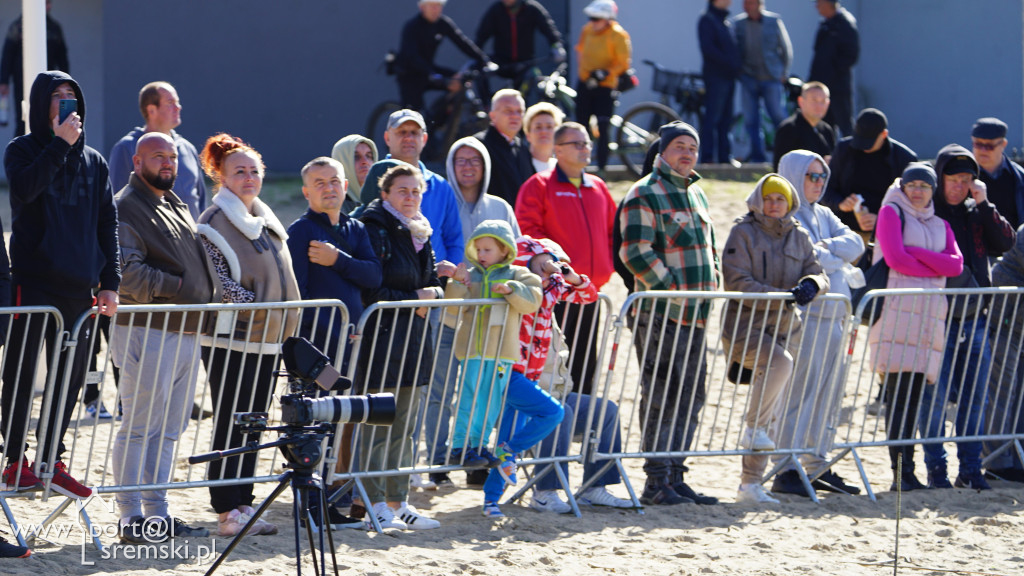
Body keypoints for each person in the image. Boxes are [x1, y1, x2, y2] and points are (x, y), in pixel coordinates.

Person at [1, 71, 118, 500]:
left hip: (80, 288)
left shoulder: (95, 161)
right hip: (33, 282)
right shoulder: (22, 149)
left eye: (72, 96)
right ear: (40, 105)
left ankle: (51, 458)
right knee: (20, 373)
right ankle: (15, 460)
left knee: (68, 379)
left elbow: (109, 223)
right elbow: (25, 190)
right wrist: (59, 145)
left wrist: (111, 282)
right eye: (57, 96)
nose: (67, 103)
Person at [110, 132, 219, 543]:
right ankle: (129, 516)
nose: (168, 163)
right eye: (159, 156)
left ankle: (156, 511)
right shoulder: (125, 206)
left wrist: (203, 294)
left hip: (187, 329)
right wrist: (178, 287)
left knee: (169, 429)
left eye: (172, 156)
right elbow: (128, 275)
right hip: (148, 329)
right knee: (139, 427)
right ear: (137, 162)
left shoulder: (174, 202)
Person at [196, 133, 300, 536]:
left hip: (268, 336)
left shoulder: (264, 218)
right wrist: (257, 304)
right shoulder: (213, 222)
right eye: (239, 171)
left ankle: (244, 502)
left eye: (254, 170)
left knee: (255, 419)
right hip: (232, 337)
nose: (248, 177)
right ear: (219, 176)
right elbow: (217, 281)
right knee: (232, 417)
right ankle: (225, 507)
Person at [618, 121, 720, 506]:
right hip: (660, 313)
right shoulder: (645, 192)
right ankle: (656, 479)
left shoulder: (698, 195)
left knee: (691, 396)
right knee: (661, 394)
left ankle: (676, 475)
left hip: (696, 315)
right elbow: (635, 252)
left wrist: (713, 284)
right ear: (662, 151)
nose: (687, 154)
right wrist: (673, 288)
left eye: (692, 147)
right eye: (679, 146)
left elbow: (709, 251)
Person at [286, 156, 382, 530]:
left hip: (350, 344)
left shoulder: (356, 229)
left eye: (334, 181)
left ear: (345, 186)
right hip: (316, 351)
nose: (329, 188)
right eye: (319, 182)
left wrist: (337, 259)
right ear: (307, 191)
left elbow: (372, 275)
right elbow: (301, 294)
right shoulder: (300, 231)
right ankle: (308, 504)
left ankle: (329, 500)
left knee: (337, 424)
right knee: (311, 425)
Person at [721, 174, 829, 504]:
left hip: (785, 330)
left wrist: (812, 284)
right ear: (758, 200)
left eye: (780, 199)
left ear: (790, 203)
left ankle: (750, 484)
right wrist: (780, 296)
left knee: (771, 409)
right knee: (777, 371)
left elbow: (817, 271)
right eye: (768, 198)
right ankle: (752, 429)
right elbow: (736, 279)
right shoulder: (743, 231)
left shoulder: (799, 236)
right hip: (746, 328)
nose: (773, 204)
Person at [508, 236, 631, 514]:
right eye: (545, 265)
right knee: (560, 412)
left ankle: (595, 487)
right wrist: (533, 270)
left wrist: (570, 275)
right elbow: (517, 271)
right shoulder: (515, 299)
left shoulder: (551, 295)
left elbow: (589, 295)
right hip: (523, 399)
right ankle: (545, 491)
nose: (551, 271)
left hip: (555, 390)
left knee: (606, 411)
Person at [917, 145, 1014, 490]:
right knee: (935, 400)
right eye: (954, 180)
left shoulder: (977, 211)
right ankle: (937, 471)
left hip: (974, 316)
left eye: (967, 180)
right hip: (937, 318)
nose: (960, 187)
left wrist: (985, 204)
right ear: (939, 178)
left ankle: (971, 470)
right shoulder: (927, 213)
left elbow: (1006, 242)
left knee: (975, 399)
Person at [770, 150, 863, 497]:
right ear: (794, 175)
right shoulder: (785, 212)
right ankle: (786, 465)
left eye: (823, 176)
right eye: (811, 176)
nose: (819, 183)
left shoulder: (825, 213)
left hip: (836, 316)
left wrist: (831, 253)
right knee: (798, 392)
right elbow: (809, 255)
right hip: (805, 318)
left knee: (828, 391)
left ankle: (817, 461)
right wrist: (832, 255)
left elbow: (855, 244)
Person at [357, 164, 444, 530]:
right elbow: (373, 288)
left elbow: (431, 280)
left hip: (413, 340)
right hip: (383, 339)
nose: (411, 197)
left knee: (405, 427)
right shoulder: (374, 228)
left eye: (416, 191)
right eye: (403, 191)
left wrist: (433, 290)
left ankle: (399, 500)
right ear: (385, 194)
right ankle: (374, 501)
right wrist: (417, 296)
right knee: (378, 425)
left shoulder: (419, 229)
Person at [443, 221, 547, 518]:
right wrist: (457, 283)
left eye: (488, 249)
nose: (482, 254)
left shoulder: (518, 273)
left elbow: (532, 300)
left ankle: (478, 445)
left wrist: (511, 289)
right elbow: (451, 309)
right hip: (472, 352)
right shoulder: (472, 273)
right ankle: (461, 447)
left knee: (489, 405)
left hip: (501, 354)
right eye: (478, 248)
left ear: (505, 250)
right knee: (468, 400)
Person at [868, 163, 962, 492]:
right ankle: (900, 472)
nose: (918, 191)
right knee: (898, 397)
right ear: (904, 186)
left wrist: (918, 254)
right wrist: (932, 266)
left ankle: (909, 471)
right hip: (897, 315)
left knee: (914, 397)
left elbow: (956, 265)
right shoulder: (891, 212)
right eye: (912, 185)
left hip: (927, 318)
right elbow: (895, 258)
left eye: (924, 185)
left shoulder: (940, 223)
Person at [516, 122, 616, 397]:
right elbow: (530, 232)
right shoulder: (538, 185)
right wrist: (558, 269)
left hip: (589, 291)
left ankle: (577, 428)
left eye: (587, 143)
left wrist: (605, 267)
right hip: (555, 295)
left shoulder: (598, 186)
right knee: (553, 363)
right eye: (578, 143)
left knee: (585, 363)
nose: (585, 149)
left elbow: (611, 232)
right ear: (557, 150)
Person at [108, 82, 207, 218]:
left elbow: (200, 201)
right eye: (170, 102)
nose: (178, 107)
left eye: (177, 102)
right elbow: (115, 202)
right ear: (151, 110)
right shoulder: (127, 147)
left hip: (191, 237)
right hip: (148, 236)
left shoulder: (187, 148)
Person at [382, 109, 464, 266]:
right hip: (390, 285)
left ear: (424, 138)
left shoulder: (441, 186)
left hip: (436, 285)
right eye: (402, 132)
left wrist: (445, 278)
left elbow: (454, 239)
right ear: (387, 138)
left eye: (414, 132)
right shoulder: (374, 180)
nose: (408, 138)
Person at [821, 108, 917, 238]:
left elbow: (913, 205)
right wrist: (840, 203)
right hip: (846, 232)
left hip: (888, 235)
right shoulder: (844, 149)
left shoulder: (904, 159)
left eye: (869, 142)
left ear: (884, 134)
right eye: (860, 139)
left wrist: (883, 219)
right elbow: (825, 189)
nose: (863, 146)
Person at [395, 0, 493, 117]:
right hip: (410, 74)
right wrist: (433, 74)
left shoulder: (443, 23)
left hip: (430, 69)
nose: (435, 10)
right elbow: (412, 57)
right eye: (432, 6)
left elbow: (462, 42)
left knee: (459, 81)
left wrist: (484, 59)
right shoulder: (411, 27)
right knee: (412, 114)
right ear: (422, 8)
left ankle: (439, 121)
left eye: (438, 6)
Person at [984, 224, 1024, 483]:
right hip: (1005, 323)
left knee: (1019, 394)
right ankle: (996, 462)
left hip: (1018, 324)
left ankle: (1016, 458)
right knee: (1002, 391)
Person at [732, 0, 792, 163]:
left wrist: (783, 72)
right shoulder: (738, 23)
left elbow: (786, 48)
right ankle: (758, 157)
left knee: (779, 116)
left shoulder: (774, 21)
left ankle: (787, 154)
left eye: (750, 3)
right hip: (748, 78)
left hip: (771, 78)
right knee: (751, 120)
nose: (746, 6)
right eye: (745, 3)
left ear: (759, 4)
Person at [574, 0, 631, 174]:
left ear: (607, 19)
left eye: (597, 18)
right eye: (591, 18)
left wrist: (606, 72)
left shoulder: (618, 35)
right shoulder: (587, 30)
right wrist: (586, 75)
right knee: (581, 126)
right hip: (586, 84)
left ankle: (602, 169)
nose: (593, 21)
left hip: (605, 86)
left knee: (603, 126)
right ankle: (578, 167)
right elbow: (580, 52)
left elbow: (623, 62)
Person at [0, 1, 69, 136]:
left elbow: (62, 58)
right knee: (23, 118)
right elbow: (7, 55)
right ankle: (21, 153)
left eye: (49, 3)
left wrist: (65, 81)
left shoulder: (54, 29)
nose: (47, 6)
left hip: (50, 83)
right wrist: (4, 81)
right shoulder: (18, 27)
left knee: (48, 116)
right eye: (45, 2)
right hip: (22, 82)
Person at [475, 0, 565, 93]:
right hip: (502, 62)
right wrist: (477, 56)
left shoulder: (531, 8)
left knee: (532, 86)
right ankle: (486, 106)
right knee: (480, 73)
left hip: (524, 63)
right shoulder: (495, 10)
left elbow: (548, 29)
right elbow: (482, 35)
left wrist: (556, 46)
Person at [698, 0, 741, 165]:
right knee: (712, 118)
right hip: (716, 77)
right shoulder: (707, 20)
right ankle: (707, 157)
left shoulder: (725, 21)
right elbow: (708, 49)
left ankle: (725, 157)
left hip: (729, 77)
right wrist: (730, 63)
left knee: (726, 118)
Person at [474, 89, 533, 207]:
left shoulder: (522, 148)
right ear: (492, 115)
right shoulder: (479, 146)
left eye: (519, 111)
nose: (515, 116)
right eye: (508, 111)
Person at [808, 0, 859, 136]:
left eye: (819, 2)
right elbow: (819, 56)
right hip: (822, 86)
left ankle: (852, 156)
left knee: (844, 123)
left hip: (838, 87)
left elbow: (851, 55)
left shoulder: (844, 24)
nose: (816, 6)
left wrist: (832, 75)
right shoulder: (825, 24)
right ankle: (829, 156)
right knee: (825, 126)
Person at [971, 117, 1024, 229]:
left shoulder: (1019, 176)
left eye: (989, 146)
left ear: (1003, 144)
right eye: (978, 144)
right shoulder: (964, 176)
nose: (983, 150)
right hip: (975, 244)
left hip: (1014, 243)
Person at [772, 82, 836, 171]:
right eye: (814, 100)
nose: (819, 106)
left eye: (823, 101)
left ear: (828, 103)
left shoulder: (826, 130)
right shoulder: (788, 129)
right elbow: (780, 168)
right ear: (801, 101)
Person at [331, 135, 378, 215]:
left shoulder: (382, 201)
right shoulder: (331, 210)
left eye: (369, 156)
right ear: (342, 162)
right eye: (356, 157)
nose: (365, 161)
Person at [523, 102, 564, 173]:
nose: (544, 131)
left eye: (549, 127)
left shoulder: (562, 168)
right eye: (538, 127)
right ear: (528, 135)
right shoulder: (519, 165)